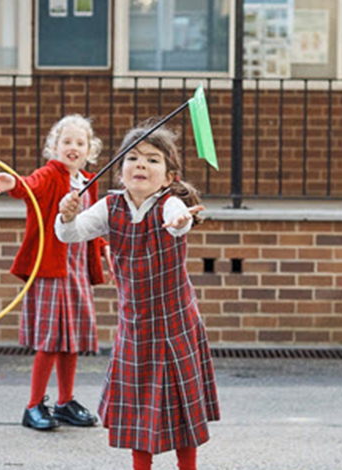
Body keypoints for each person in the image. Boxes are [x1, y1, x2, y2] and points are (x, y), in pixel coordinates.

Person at [56, 122, 220, 470]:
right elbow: (72, 233)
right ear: (120, 171)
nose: (141, 164)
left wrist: (180, 223)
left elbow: (178, 219)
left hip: (175, 325)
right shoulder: (110, 206)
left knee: (181, 410)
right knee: (139, 412)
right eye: (133, 157)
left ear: (169, 177)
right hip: (135, 327)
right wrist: (65, 217)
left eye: (152, 160)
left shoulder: (169, 204)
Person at [0, 114, 108, 431]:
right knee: (50, 341)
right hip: (51, 271)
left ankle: (65, 402)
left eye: (79, 143)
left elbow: (90, 224)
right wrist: (13, 183)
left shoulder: (87, 183)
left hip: (77, 271)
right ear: (53, 147)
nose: (73, 147)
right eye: (66, 141)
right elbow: (30, 187)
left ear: (89, 150)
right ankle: (33, 405)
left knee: (72, 341)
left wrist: (103, 245)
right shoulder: (50, 175)